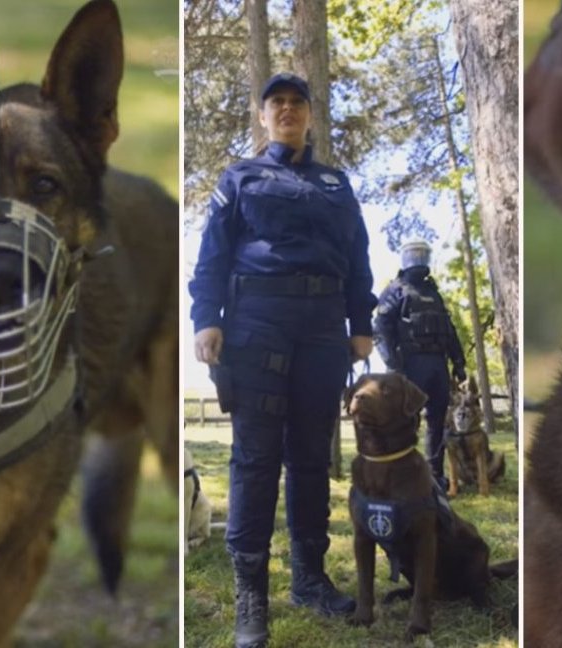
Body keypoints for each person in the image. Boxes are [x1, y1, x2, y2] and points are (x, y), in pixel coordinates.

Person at [189, 72, 376, 648]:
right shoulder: (240, 177)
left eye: (298, 102)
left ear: (310, 117)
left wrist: (361, 326)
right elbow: (213, 253)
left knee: (312, 458)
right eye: (278, 103)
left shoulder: (336, 185)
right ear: (263, 116)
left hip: (323, 328)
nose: (288, 110)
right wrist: (206, 317)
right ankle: (252, 596)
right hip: (257, 324)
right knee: (255, 458)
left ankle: (310, 579)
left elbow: (358, 256)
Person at [373, 238, 467, 488]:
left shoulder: (433, 292)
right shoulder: (395, 290)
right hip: (410, 365)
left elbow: (449, 330)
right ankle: (402, 475)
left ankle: (434, 476)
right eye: (414, 253)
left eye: (422, 253)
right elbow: (381, 330)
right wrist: (394, 366)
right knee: (405, 420)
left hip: (438, 364)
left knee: (437, 421)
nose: (418, 258)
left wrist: (459, 364)